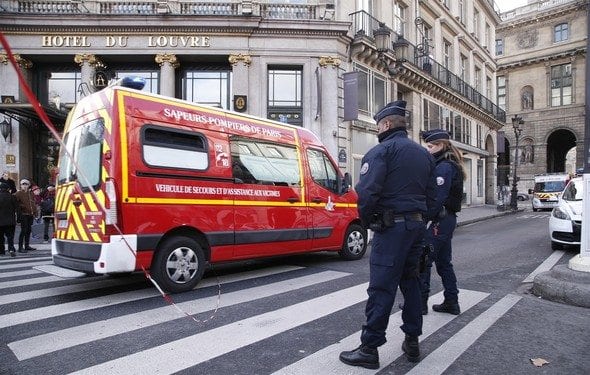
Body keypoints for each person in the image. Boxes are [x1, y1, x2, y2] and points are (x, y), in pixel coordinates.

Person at [339, 100, 436, 369]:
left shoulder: (381, 152)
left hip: (391, 228)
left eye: (378, 125)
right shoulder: (424, 155)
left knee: (382, 288)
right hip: (416, 228)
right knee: (412, 283)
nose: (377, 129)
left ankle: (370, 348)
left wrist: (370, 222)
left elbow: (367, 194)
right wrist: (419, 220)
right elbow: (431, 196)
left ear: (386, 124)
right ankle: (412, 341)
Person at [419, 129, 466, 315]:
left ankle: (419, 303)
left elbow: (437, 198)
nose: (428, 150)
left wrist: (424, 220)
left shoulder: (444, 167)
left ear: (440, 145)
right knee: (444, 262)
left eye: (430, 146)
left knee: (424, 258)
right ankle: (451, 301)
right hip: (446, 219)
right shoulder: (448, 165)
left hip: (441, 219)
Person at [14, 178, 37, 253]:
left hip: (30, 214)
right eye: (22, 184)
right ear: (20, 185)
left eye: (26, 184)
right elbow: (15, 203)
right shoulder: (18, 193)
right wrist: (21, 207)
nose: (24, 186)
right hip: (23, 214)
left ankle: (26, 245)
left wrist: (35, 212)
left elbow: (33, 203)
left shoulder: (30, 194)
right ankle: (20, 247)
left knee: (28, 230)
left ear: (29, 185)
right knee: (23, 230)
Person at [0, 182, 18, 257]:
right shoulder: (12, 197)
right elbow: (17, 208)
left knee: (0, 237)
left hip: (0, 221)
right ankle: (11, 249)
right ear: (8, 189)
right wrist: (19, 219)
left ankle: (1, 251)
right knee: (10, 237)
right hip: (10, 221)